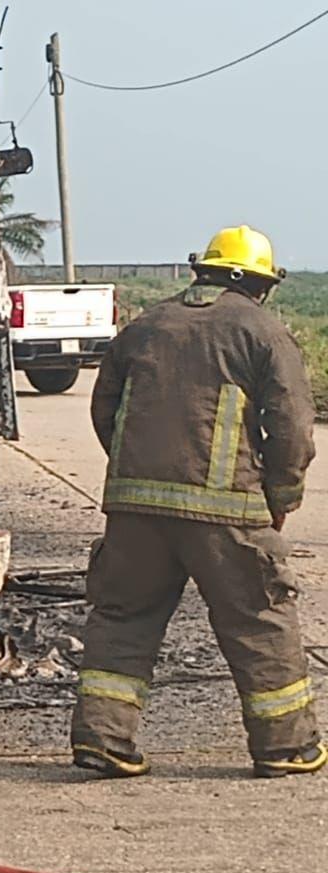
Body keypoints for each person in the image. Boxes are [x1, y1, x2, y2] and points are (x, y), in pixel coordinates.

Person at [72, 225, 323, 778]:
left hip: (134, 511)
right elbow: (292, 428)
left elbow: (104, 407)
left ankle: (104, 741)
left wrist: (133, 475)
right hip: (227, 513)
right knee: (260, 619)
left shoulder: (145, 326)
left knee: (122, 616)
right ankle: (286, 747)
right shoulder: (262, 331)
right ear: (258, 283)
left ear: (201, 271)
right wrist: (281, 496)